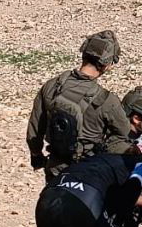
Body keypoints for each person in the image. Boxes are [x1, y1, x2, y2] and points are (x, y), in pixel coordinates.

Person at [26, 32, 133, 179]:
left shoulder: (52, 86)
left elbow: (35, 130)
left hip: (55, 170)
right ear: (107, 65)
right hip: (89, 173)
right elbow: (124, 133)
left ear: (83, 54)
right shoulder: (108, 101)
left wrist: (36, 154)